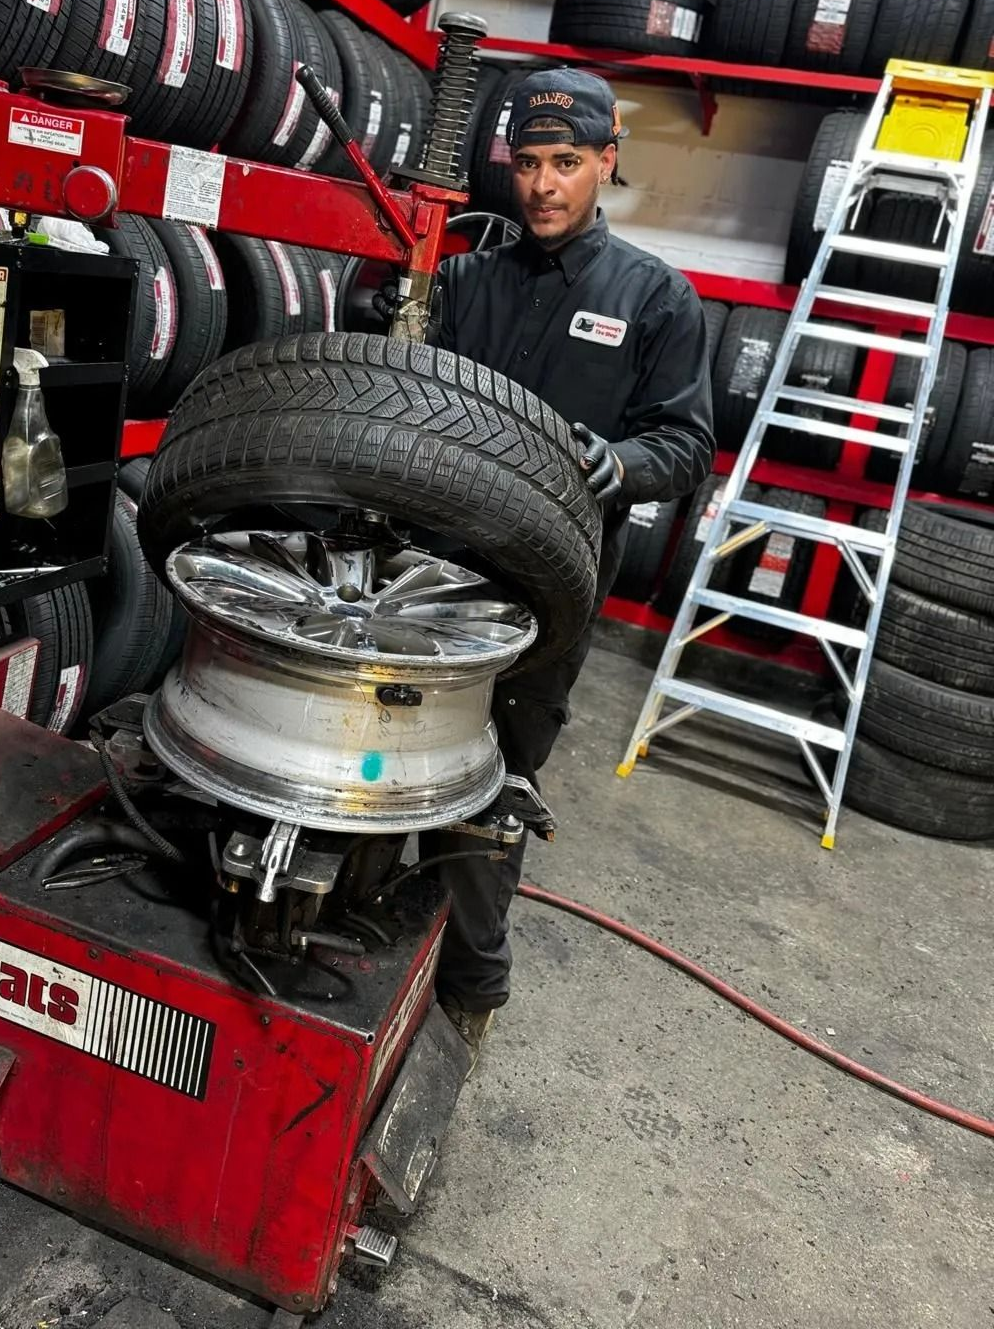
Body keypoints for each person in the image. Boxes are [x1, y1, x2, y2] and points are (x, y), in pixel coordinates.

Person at [409, 68, 716, 1071]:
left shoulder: (653, 298)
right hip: (433, 567)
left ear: (607, 163)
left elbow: (687, 443)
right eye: (531, 165)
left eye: (568, 165)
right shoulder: (466, 280)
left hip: (551, 589)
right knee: (394, 748)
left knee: (496, 779)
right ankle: (381, 941)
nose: (545, 187)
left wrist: (619, 464)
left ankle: (470, 996)